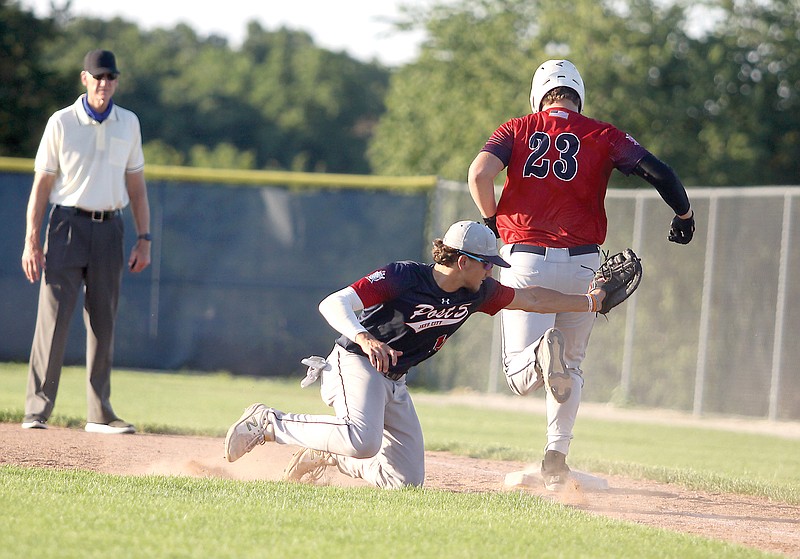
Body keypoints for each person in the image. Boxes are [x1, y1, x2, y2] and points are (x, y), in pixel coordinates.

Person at [224, 220, 614, 489]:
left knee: (405, 480)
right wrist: (363, 338)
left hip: (393, 378)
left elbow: (531, 298)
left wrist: (589, 302)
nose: (492, 273)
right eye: (486, 264)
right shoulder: (404, 276)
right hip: (355, 363)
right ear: (463, 261)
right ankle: (268, 422)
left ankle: (328, 454)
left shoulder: (477, 293)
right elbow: (333, 303)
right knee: (364, 441)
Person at [467, 59, 695, 490]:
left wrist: (492, 219)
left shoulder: (517, 127)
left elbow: (479, 173)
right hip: (584, 263)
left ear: (539, 95)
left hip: (525, 257)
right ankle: (556, 459)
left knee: (522, 376)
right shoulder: (603, 134)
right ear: (578, 96)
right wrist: (683, 214)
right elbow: (659, 171)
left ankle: (539, 359)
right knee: (570, 365)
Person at [20, 49, 151, 434]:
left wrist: (144, 238)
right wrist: (31, 240)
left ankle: (99, 413)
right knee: (54, 320)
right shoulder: (61, 122)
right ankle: (37, 409)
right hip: (66, 226)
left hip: (111, 228)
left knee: (104, 321)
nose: (103, 84)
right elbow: (42, 185)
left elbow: (137, 186)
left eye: (110, 77)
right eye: (97, 77)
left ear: (116, 81)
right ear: (84, 78)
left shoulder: (128, 123)